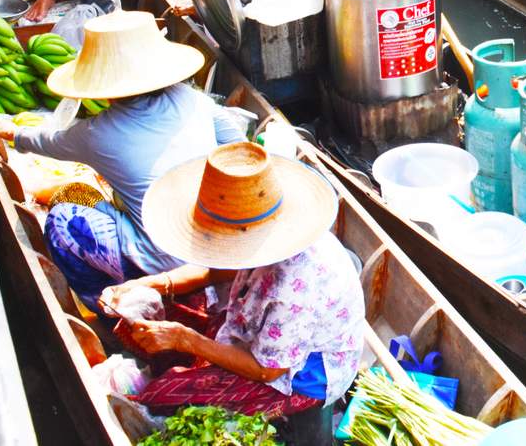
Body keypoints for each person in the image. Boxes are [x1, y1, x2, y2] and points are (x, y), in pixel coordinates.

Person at [0, 11, 246, 312]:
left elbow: (47, 141)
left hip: (167, 259)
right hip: (220, 246)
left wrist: (13, 133)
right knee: (77, 192)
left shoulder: (97, 133)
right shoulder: (193, 98)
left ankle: (108, 305)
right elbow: (238, 147)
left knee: (62, 220)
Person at [102, 142, 362, 443]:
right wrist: (152, 284)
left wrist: (185, 339)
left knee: (164, 394)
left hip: (300, 376)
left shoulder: (293, 286)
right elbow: (212, 272)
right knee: (151, 316)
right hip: (257, 327)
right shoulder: (263, 241)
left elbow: (268, 371)